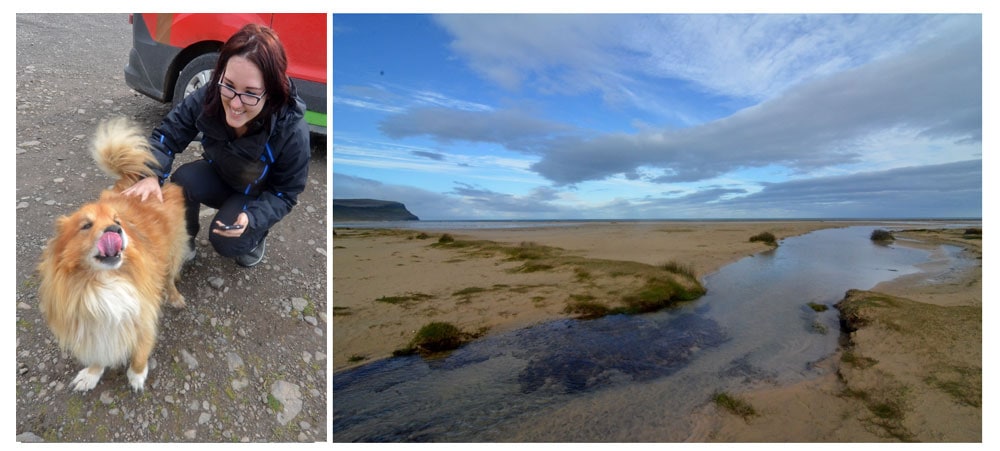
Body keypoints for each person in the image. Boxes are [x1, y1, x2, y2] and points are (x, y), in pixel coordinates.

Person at [122, 23, 311, 267]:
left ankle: (254, 237)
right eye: (229, 85)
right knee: (181, 183)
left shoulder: (291, 130)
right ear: (220, 74)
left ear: (271, 92)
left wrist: (253, 218)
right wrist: (150, 174)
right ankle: (183, 243)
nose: (235, 103)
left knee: (227, 241)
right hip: (221, 174)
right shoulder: (209, 96)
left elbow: (285, 193)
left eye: (250, 93)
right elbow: (168, 135)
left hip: (254, 194)